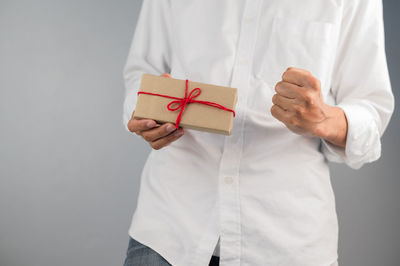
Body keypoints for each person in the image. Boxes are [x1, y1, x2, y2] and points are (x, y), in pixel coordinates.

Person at [122, 1, 394, 266]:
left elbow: (371, 111)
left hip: (286, 240)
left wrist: (324, 118)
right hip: (169, 230)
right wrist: (145, 111)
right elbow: (142, 69)